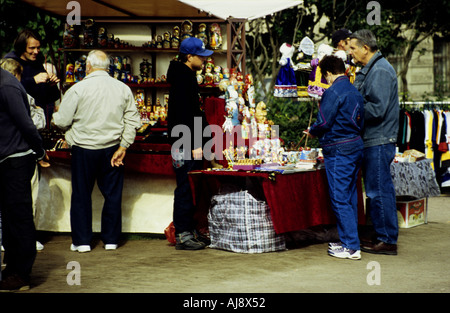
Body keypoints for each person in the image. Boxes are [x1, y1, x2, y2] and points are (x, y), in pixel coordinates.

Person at [52, 50, 141, 253]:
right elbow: (132, 121)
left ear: (88, 67)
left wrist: (59, 120)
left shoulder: (77, 89)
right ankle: (111, 240)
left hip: (83, 148)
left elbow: (63, 121)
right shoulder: (123, 88)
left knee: (82, 195)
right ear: (108, 67)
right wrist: (124, 146)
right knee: (112, 195)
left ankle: (82, 242)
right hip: (112, 148)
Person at [306, 55, 365, 260]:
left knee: (340, 198)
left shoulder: (333, 92)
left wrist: (313, 130)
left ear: (328, 73)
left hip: (339, 148)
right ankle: (350, 241)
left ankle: (351, 246)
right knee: (349, 196)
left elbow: (323, 122)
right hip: (355, 145)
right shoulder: (354, 90)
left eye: (324, 76)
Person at [349, 29, 400, 255]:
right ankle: (381, 234)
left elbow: (377, 109)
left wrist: (350, 112)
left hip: (378, 139)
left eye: (352, 48)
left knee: (378, 190)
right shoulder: (372, 69)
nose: (349, 52)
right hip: (374, 138)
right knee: (375, 189)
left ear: (365, 48)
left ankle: (387, 239)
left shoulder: (379, 70)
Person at [0, 68, 49, 291]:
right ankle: (12, 269)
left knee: (18, 218)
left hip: (16, 159)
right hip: (8, 158)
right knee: (11, 219)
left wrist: (39, 152)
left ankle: (21, 274)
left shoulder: (7, 85)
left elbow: (26, 124)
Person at [167, 37, 213, 250]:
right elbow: (186, 113)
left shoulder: (184, 75)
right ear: (189, 56)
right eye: (200, 56)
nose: (204, 60)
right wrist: (195, 142)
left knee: (190, 186)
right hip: (185, 140)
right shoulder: (184, 78)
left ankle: (189, 230)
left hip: (186, 138)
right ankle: (183, 234)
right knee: (185, 187)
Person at [4, 29, 60, 126]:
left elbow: (50, 97)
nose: (36, 51)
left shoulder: (36, 62)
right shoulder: (10, 63)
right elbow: (7, 90)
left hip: (39, 121)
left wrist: (51, 85)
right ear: (22, 47)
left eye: (38, 48)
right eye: (32, 48)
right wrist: (33, 80)